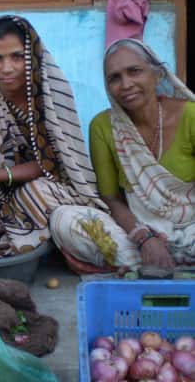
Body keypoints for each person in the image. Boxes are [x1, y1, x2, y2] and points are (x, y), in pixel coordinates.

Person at [0, 15, 105, 255]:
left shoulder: (49, 92)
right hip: (6, 192)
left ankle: (24, 236)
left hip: (53, 184)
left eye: (17, 57)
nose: (6, 68)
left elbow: (52, 165)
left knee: (35, 194)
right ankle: (21, 230)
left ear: (31, 56)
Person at [50, 38, 195, 272]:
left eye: (134, 71)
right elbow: (111, 199)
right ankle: (163, 263)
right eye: (114, 78)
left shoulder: (190, 115)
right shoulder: (103, 126)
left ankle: (143, 267)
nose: (126, 84)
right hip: (139, 232)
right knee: (64, 219)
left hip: (190, 228)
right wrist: (144, 237)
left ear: (156, 74)